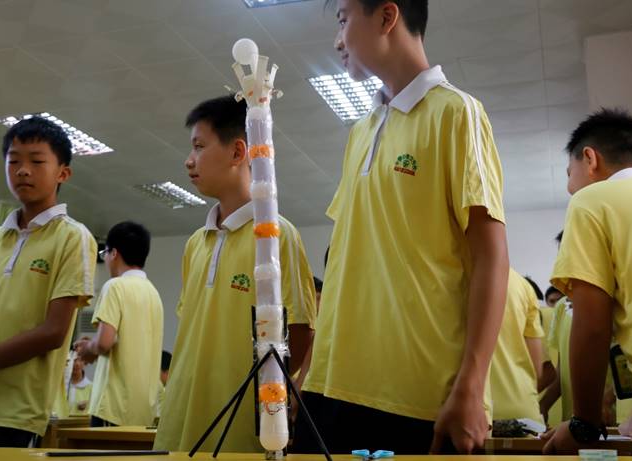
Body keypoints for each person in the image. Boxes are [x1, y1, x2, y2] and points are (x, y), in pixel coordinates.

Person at [294, 0, 508, 454]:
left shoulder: (456, 112)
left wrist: (471, 386)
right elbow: (344, 263)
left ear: (387, 17)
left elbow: (491, 257)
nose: (337, 39)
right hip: (332, 386)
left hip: (420, 396)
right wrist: (309, 370)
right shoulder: (361, 131)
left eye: (343, 20)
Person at [153, 95, 316, 453]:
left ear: (238, 151)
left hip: (239, 430)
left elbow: (300, 333)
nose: (189, 160)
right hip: (180, 420)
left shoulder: (277, 235)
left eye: (199, 146)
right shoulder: (195, 244)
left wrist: (265, 399)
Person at [0, 116, 97, 447]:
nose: (23, 170)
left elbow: (53, 332)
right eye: (13, 161)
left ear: (63, 173)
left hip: (15, 411)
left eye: (37, 161)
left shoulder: (73, 237)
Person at [542, 109, 632, 453]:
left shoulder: (592, 201)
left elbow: (592, 324)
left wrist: (583, 422)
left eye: (569, 174)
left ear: (590, 158)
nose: (570, 188)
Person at [76, 221, 164, 427]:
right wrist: (95, 345)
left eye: (104, 253)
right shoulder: (153, 293)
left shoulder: (115, 286)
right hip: (143, 408)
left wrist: (88, 348)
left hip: (113, 406)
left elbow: (104, 343)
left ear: (114, 253)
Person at [490, 269, 544, 423]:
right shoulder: (523, 285)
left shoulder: (447, 272)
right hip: (522, 409)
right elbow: (537, 370)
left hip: (466, 410)